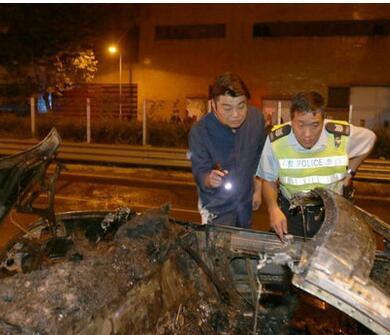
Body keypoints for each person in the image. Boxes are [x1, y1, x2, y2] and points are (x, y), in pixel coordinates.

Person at [257, 91, 376, 239]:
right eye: (300, 125)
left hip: (333, 213)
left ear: (324, 120)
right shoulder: (276, 141)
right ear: (291, 120)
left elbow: (370, 138)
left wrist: (350, 172)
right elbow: (268, 180)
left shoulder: (340, 135)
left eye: (315, 125)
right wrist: (273, 209)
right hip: (293, 214)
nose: (307, 134)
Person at [188, 72, 266, 228]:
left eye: (241, 106)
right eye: (227, 108)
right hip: (215, 206)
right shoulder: (200, 131)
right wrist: (209, 179)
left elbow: (258, 157)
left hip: (244, 202)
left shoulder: (256, 120)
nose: (236, 115)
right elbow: (199, 170)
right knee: (219, 249)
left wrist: (257, 189)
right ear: (214, 105)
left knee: (241, 248)